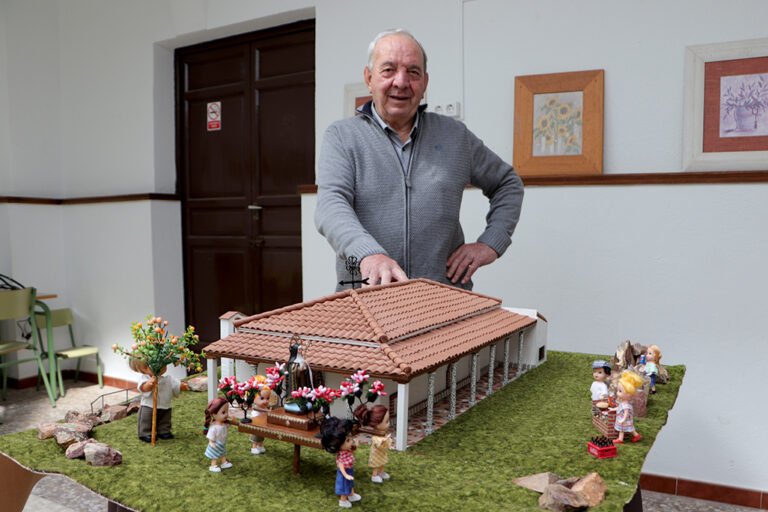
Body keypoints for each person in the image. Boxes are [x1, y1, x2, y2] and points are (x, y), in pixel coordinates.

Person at [315, 29, 523, 291]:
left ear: (424, 83)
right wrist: (368, 253)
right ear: (369, 78)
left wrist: (491, 242)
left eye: (413, 72)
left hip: (444, 300)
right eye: (388, 70)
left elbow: (507, 183)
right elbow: (330, 206)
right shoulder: (342, 136)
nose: (401, 82)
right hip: (367, 297)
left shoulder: (455, 135)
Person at [130, 357, 189, 443]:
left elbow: (176, 385)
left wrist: (182, 386)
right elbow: (143, 388)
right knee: (146, 419)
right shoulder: (145, 378)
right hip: (149, 405)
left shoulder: (168, 379)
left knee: (165, 419)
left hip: (165, 404)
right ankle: (145, 433)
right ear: (143, 369)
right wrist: (148, 385)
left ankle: (164, 431)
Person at [318, 417, 361, 508]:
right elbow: (340, 466)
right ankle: (343, 500)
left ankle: (351, 495)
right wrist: (345, 475)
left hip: (350, 469)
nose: (351, 442)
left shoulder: (346, 451)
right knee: (344, 487)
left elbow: (351, 451)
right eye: (348, 440)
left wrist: (356, 446)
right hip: (344, 473)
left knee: (350, 484)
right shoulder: (341, 457)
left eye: (350, 439)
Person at [353, 404, 392, 483]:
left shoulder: (381, 433)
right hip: (376, 453)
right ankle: (374, 475)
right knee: (377, 464)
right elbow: (378, 443)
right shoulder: (375, 436)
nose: (389, 423)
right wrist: (385, 441)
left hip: (382, 452)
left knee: (382, 462)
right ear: (376, 424)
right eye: (386, 421)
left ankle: (381, 472)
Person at [611, 370, 644, 445]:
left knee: (624, 429)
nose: (617, 393)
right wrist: (613, 409)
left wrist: (623, 419)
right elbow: (619, 408)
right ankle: (635, 435)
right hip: (623, 419)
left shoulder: (626, 405)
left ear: (628, 394)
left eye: (620, 391)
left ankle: (622, 438)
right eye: (618, 390)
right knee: (627, 429)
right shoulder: (622, 403)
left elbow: (626, 413)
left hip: (624, 420)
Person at [204, 397, 232, 472]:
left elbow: (227, 426)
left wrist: (233, 421)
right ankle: (213, 465)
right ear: (214, 414)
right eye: (223, 412)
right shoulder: (214, 428)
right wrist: (211, 442)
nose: (226, 414)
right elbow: (210, 436)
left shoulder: (223, 424)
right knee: (214, 456)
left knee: (223, 453)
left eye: (226, 412)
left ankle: (224, 462)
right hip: (215, 444)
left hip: (221, 443)